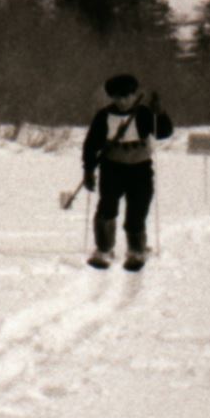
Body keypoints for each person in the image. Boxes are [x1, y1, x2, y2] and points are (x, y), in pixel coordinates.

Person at [79, 71, 173, 270]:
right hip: (112, 168)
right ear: (112, 97)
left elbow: (163, 133)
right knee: (107, 208)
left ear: (134, 94)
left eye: (127, 96)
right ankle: (104, 249)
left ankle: (136, 250)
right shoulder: (103, 116)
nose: (123, 101)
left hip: (140, 169)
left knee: (137, 210)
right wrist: (88, 171)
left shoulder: (145, 113)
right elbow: (90, 145)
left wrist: (160, 113)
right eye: (117, 97)